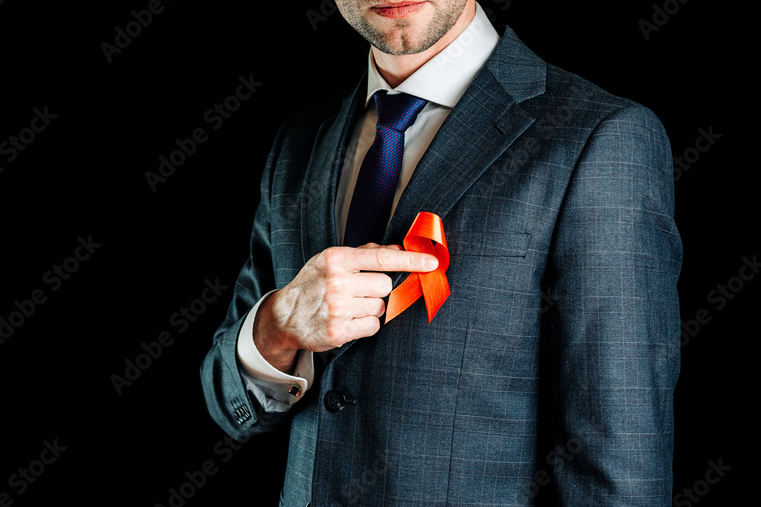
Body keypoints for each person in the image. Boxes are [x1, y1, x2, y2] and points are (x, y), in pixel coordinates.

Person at [200, 1, 682, 505]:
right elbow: (225, 402)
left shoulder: (602, 137)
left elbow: (621, 461)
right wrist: (277, 326)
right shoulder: (297, 145)